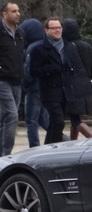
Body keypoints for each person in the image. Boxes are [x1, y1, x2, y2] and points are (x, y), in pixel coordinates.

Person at [30, 17, 80, 144]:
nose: (57, 30)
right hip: (50, 91)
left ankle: (48, 148)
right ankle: (55, 147)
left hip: (65, 91)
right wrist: (52, 68)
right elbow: (34, 71)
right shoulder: (39, 49)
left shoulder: (68, 46)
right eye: (54, 28)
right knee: (58, 121)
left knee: (54, 122)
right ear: (46, 31)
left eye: (59, 28)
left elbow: (74, 66)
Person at [62, 18, 92, 139]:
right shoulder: (86, 46)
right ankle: (72, 143)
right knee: (75, 117)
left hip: (72, 86)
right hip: (86, 84)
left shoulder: (67, 46)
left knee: (75, 119)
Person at [0, 2, 25, 156]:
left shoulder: (21, 33)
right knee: (12, 116)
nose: (18, 13)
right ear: (4, 14)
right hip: (2, 80)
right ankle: (6, 154)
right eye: (13, 11)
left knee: (4, 117)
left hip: (17, 80)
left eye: (18, 10)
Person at [21, 18, 50, 147]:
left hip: (34, 87)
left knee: (31, 121)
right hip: (46, 86)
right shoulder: (47, 44)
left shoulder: (31, 48)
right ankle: (61, 138)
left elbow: (28, 70)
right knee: (43, 118)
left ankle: (34, 147)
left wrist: (25, 85)